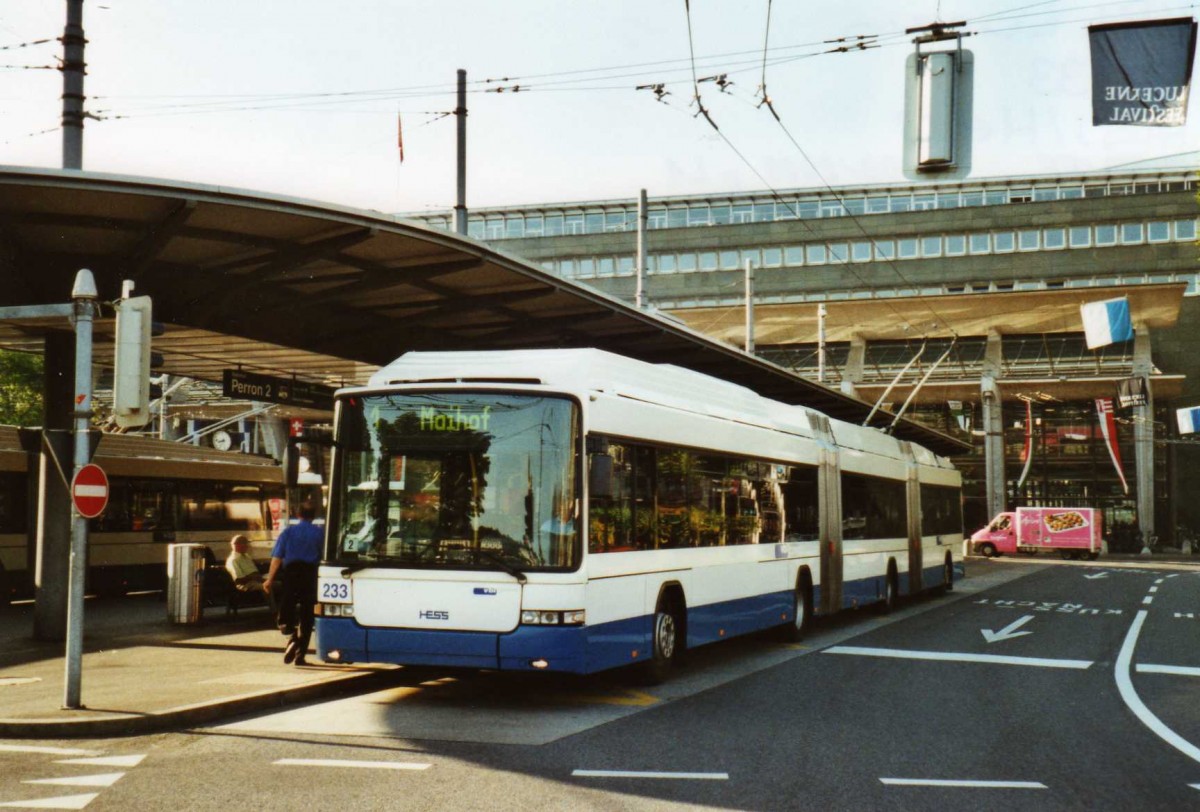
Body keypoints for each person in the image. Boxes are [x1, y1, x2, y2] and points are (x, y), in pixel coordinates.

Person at [264, 503, 322, 666]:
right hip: (310, 574)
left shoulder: (288, 532)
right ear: (313, 516)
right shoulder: (319, 533)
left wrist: (269, 579)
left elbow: (277, 558)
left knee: (286, 606)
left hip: (291, 573)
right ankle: (300, 655)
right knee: (307, 614)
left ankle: (290, 632)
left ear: (298, 515)